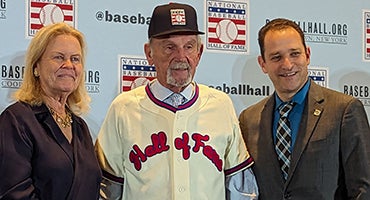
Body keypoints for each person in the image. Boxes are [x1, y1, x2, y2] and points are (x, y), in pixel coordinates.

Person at [95, 2, 258, 200]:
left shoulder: (221, 105)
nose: (181, 57)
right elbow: (107, 189)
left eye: (189, 47)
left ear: (199, 53)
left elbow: (239, 187)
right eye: (169, 47)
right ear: (149, 53)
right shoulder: (123, 109)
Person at [239, 18, 370, 199]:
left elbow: (362, 190)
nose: (287, 64)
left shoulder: (344, 110)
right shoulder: (248, 119)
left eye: (294, 54)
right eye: (276, 57)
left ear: (307, 55)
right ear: (263, 64)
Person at [0, 22, 102, 199]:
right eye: (59, 57)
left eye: (75, 59)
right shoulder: (16, 120)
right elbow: (14, 194)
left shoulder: (80, 127)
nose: (69, 65)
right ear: (36, 67)